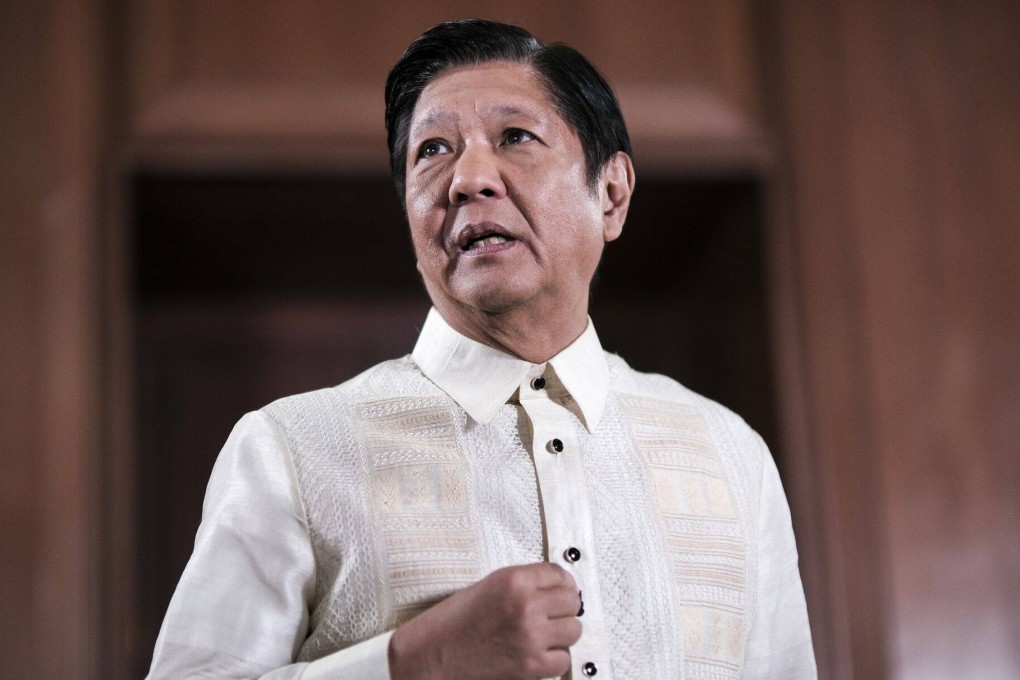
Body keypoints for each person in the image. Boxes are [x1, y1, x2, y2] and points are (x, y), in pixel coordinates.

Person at [146, 18, 816, 680]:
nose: (468, 179)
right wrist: (412, 664)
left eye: (515, 137)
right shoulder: (290, 450)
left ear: (612, 194)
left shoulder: (731, 454)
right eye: (432, 151)